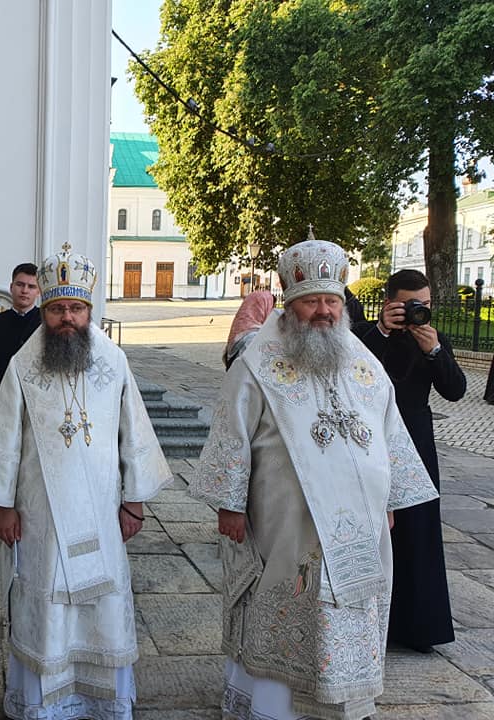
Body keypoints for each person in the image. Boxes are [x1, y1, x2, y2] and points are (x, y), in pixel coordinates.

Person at [190, 237, 438, 720]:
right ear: (290, 304)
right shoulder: (256, 364)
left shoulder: (365, 364)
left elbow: (389, 431)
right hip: (285, 520)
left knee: (348, 609)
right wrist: (229, 504)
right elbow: (231, 433)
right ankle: (273, 708)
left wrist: (389, 499)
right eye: (311, 301)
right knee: (289, 601)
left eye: (331, 301)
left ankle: (341, 700)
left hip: (359, 524)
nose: (323, 311)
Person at [0, 242, 172, 720]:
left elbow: (133, 435)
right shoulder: (23, 365)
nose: (67, 318)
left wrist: (135, 502)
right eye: (57, 309)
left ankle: (101, 701)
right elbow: (4, 439)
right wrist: (3, 506)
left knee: (102, 600)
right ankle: (46, 703)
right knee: (45, 597)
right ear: (44, 311)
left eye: (75, 309)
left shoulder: (114, 361)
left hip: (101, 508)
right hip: (38, 512)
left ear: (89, 310)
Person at [359, 269, 466, 652]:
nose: (418, 311)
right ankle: (373, 624)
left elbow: (455, 390)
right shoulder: (365, 336)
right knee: (376, 530)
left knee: (419, 532)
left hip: (418, 442)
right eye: (409, 305)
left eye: (425, 304)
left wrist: (434, 351)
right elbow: (349, 373)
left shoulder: (433, 338)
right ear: (390, 302)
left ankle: (420, 628)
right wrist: (382, 332)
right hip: (370, 440)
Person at [0, 262, 41, 552]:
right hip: (2, 409)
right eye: (20, 285)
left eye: (31, 286)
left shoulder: (45, 323)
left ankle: (29, 534)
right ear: (11, 287)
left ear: (38, 291)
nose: (25, 291)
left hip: (36, 410)